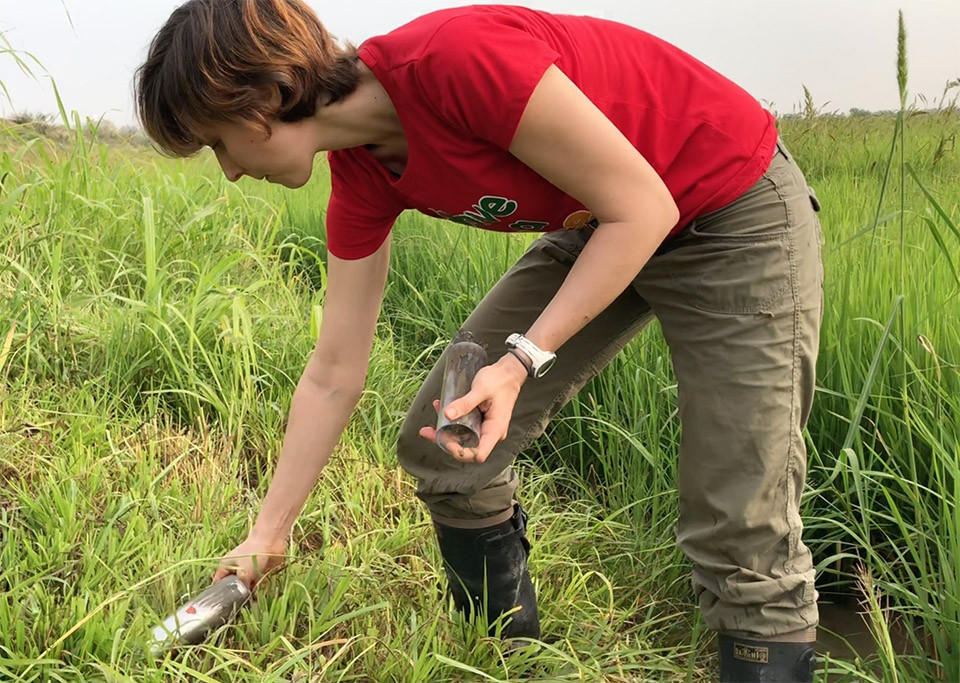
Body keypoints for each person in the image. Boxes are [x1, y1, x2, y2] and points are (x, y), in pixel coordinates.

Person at [135, 1, 824, 680]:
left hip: (732, 211)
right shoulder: (362, 177)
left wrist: (521, 361)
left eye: (218, 141)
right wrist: (267, 533)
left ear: (268, 94)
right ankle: (509, 663)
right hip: (604, 222)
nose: (225, 169)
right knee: (448, 443)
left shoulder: (455, 61)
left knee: (739, 517)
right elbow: (334, 369)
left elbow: (645, 206)